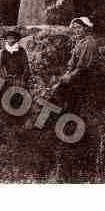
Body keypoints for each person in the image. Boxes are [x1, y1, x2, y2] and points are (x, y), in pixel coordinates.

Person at [55, 16, 99, 181]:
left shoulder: (89, 43)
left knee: (77, 106)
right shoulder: (79, 42)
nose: (77, 31)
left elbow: (82, 67)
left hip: (84, 80)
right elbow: (72, 63)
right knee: (66, 101)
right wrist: (65, 75)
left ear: (86, 29)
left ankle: (79, 138)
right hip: (75, 78)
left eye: (79, 28)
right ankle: (69, 132)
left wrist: (69, 77)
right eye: (75, 29)